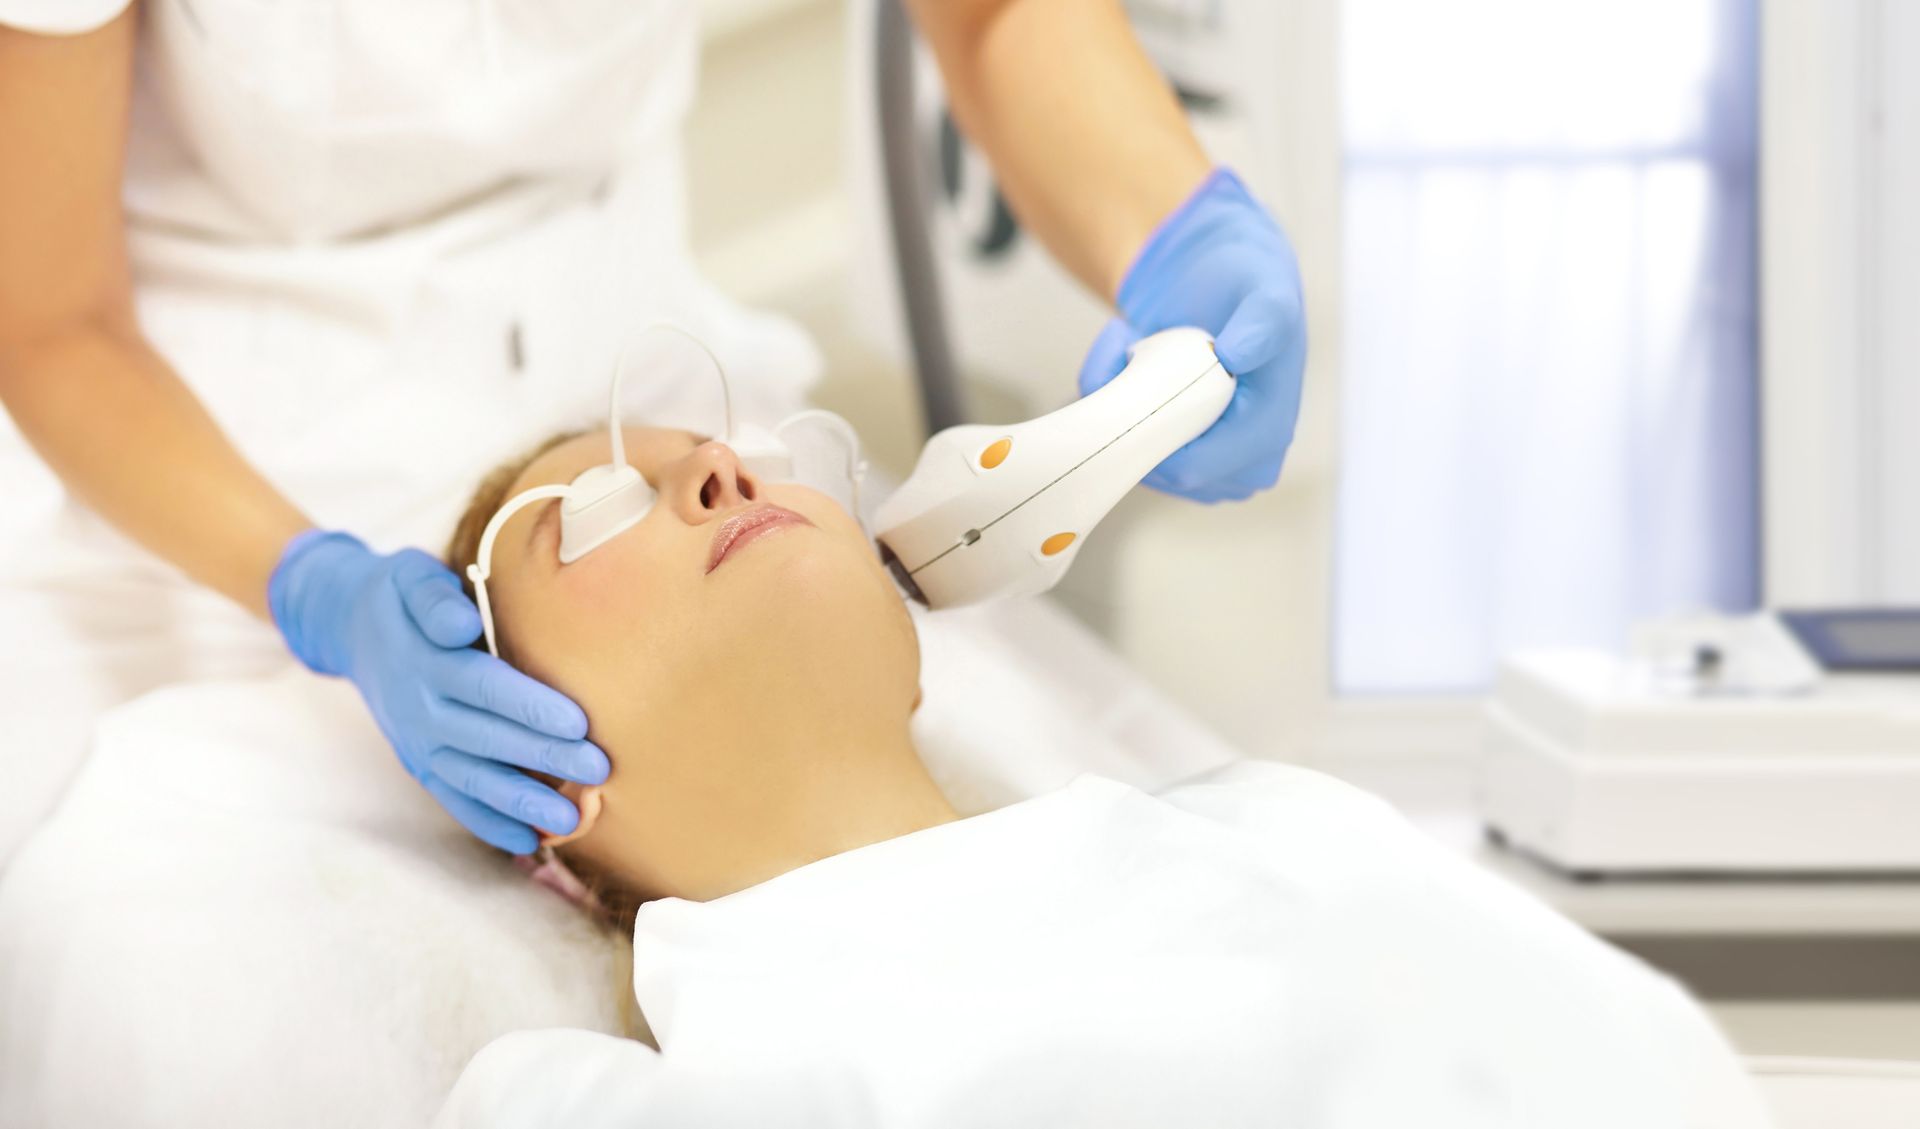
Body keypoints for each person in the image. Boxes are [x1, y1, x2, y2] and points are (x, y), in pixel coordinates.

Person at [0, 0, 1306, 866]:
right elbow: (50, 321)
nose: (732, 485)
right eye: (598, 514)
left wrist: (1179, 229)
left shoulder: (1249, 875)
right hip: (219, 462)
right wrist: (317, 590)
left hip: (637, 331)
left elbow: (995, 13)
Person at [428, 426, 1765, 1129]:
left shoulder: (1275, 818)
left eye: (754, 450)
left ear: (910, 655)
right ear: (531, 790)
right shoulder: (582, 1099)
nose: (723, 466)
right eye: (596, 510)